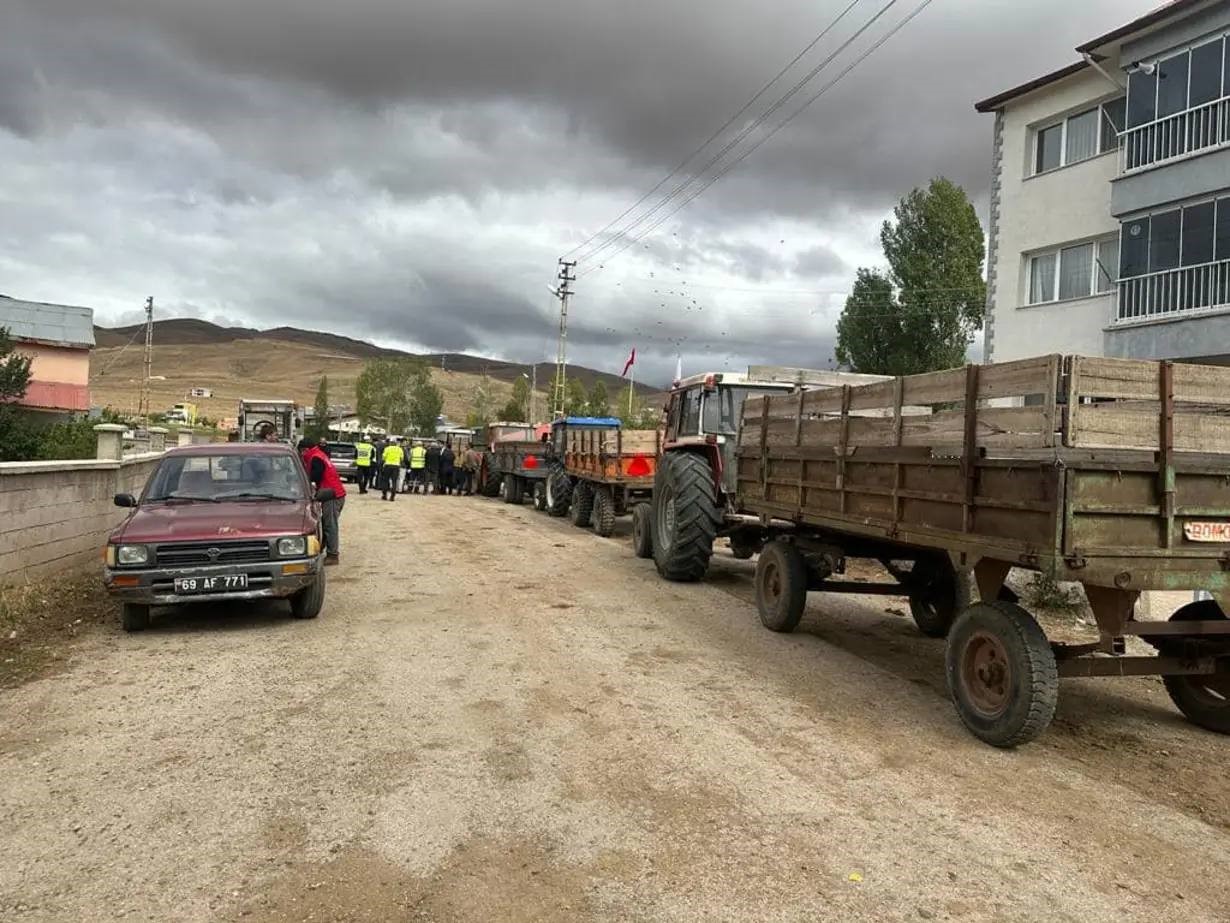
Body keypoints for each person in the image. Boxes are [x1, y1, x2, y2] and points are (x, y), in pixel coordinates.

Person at [298, 437, 346, 565]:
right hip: (335, 493)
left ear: (305, 450)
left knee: (330, 525)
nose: (301, 455)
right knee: (327, 524)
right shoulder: (319, 454)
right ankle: (322, 548)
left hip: (331, 495)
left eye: (301, 452)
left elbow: (315, 476)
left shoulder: (315, 458)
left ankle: (333, 555)